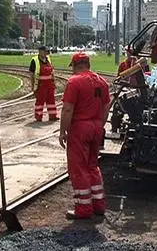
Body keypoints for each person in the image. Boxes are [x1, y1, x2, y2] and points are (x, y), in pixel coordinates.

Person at [59, 52, 111, 220]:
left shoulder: (74, 82)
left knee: (79, 168)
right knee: (92, 165)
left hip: (80, 128)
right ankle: (98, 204)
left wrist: (62, 131)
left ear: (75, 66)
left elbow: (67, 109)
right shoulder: (102, 82)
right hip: (96, 126)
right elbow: (106, 107)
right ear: (88, 65)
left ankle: (83, 208)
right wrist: (100, 125)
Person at [29, 46, 59, 122]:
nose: (46, 53)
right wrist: (33, 86)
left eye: (47, 52)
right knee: (40, 102)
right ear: (40, 51)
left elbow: (52, 72)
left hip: (49, 84)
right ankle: (38, 117)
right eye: (45, 51)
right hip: (40, 85)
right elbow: (31, 74)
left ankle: (53, 116)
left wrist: (54, 82)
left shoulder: (48, 59)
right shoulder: (34, 60)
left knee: (51, 101)